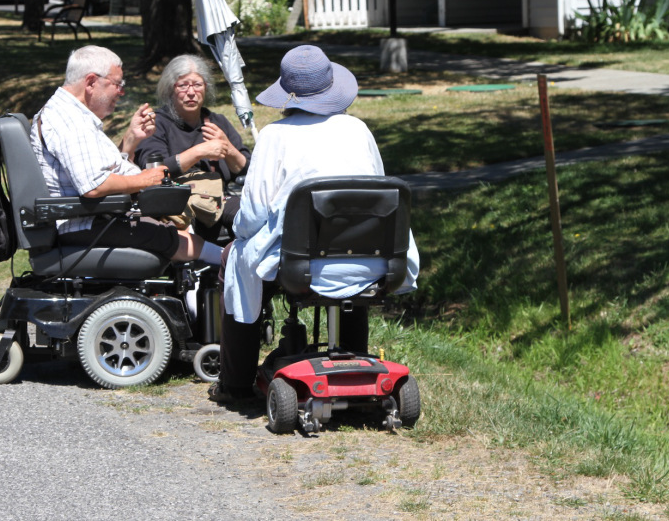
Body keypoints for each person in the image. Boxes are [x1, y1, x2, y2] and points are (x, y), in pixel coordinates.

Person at [210, 45, 420, 402]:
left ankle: (236, 383)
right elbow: (377, 196)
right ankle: (354, 354)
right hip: (375, 262)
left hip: (300, 266)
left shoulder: (275, 137)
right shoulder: (359, 130)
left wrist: (237, 229)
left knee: (235, 258)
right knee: (349, 252)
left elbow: (254, 214)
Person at [30, 45, 223, 264]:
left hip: (91, 218)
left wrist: (131, 139)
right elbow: (94, 186)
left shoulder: (73, 115)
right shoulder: (69, 120)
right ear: (91, 82)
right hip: (81, 224)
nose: (121, 92)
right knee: (175, 239)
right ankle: (230, 262)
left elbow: (100, 171)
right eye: (117, 84)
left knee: (177, 231)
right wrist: (144, 179)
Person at [134, 54, 251, 239]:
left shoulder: (217, 122)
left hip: (218, 202)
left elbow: (248, 170)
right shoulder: (157, 125)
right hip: (176, 206)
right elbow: (152, 171)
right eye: (183, 85)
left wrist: (228, 148)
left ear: (206, 88)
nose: (191, 92)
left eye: (197, 84)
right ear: (170, 89)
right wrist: (198, 152)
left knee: (254, 218)